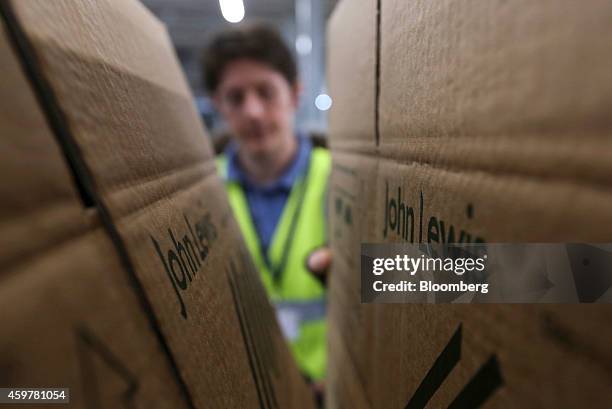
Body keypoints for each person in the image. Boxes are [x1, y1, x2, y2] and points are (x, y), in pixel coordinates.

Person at [202, 23, 332, 388]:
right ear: (218, 105)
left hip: (331, 388)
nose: (254, 111)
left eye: (266, 92)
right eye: (236, 97)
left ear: (294, 94)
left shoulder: (343, 179)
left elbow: (470, 274)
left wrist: (365, 271)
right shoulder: (199, 195)